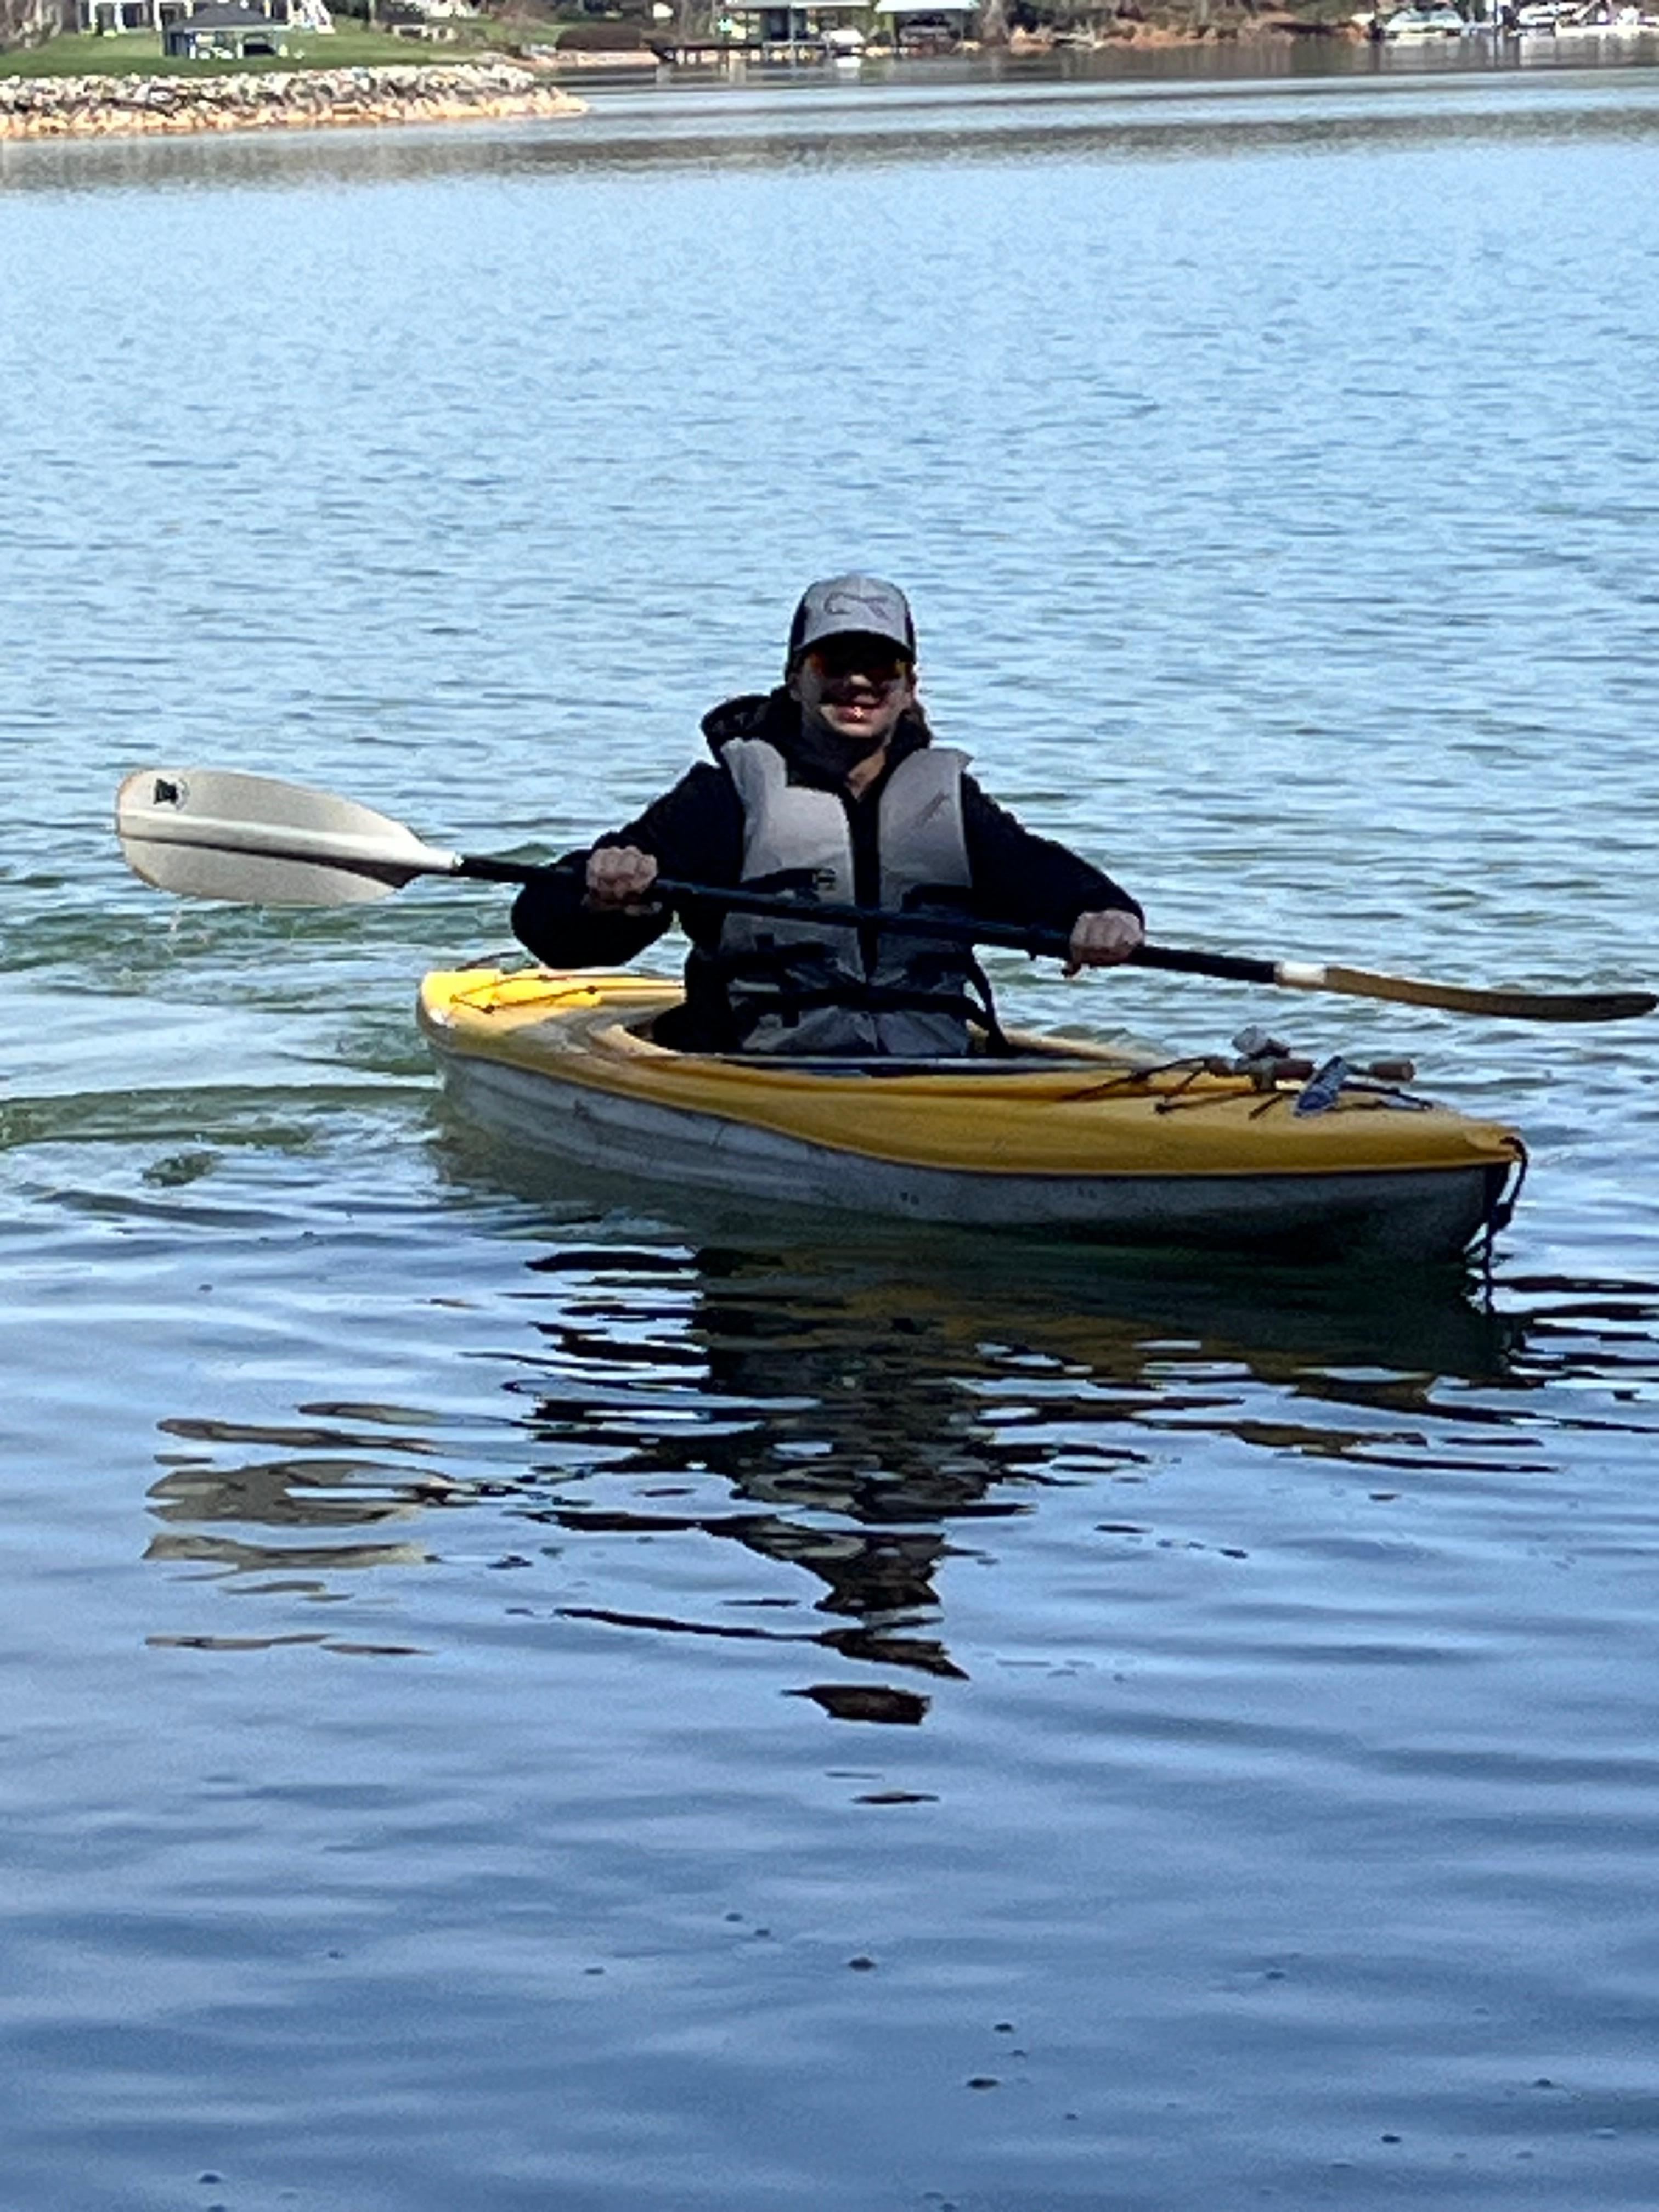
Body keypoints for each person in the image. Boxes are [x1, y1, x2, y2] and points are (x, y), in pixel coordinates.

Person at [511, 574, 1144, 1056]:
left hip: (932, 1078)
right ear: (795, 679)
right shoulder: (725, 797)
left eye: (881, 667)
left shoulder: (951, 803)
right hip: (759, 1074)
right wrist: (606, 894)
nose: (858, 683)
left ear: (908, 688)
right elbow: (545, 925)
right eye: (832, 664)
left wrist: (1106, 916)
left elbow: (1056, 883)